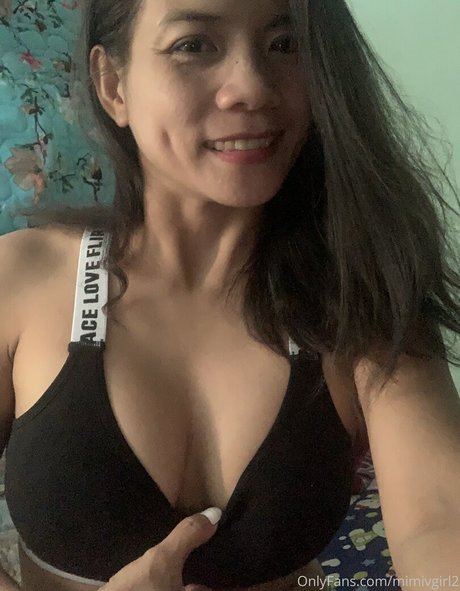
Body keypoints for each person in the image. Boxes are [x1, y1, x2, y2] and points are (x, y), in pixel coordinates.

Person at [0, 0, 459, 589]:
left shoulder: (363, 291)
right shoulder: (20, 278)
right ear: (113, 84)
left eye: (285, 45)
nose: (252, 87)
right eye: (193, 45)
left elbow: (439, 521)